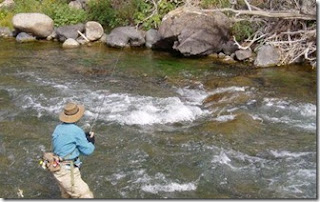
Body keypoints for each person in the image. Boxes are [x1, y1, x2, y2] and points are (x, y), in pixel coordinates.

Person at [51, 102, 95, 198]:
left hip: (58, 169)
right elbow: (88, 151)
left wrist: (83, 137)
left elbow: (67, 143)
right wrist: (91, 141)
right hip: (68, 171)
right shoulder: (76, 130)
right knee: (86, 196)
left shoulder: (58, 128)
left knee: (67, 196)